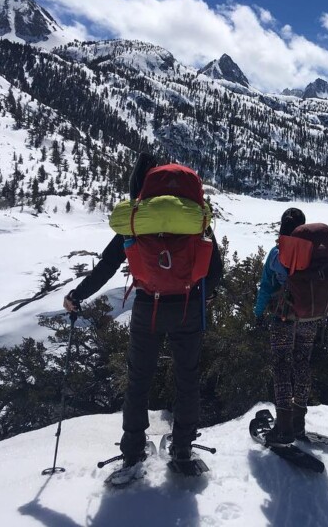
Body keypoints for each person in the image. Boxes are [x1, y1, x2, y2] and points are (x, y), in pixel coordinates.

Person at [63, 155, 223, 467]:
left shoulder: (136, 221)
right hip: (188, 306)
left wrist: (77, 295)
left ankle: (133, 449)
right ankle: (183, 447)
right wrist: (204, 295)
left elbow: (108, 265)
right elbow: (215, 270)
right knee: (187, 378)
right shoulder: (195, 220)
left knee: (138, 379)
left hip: (149, 306)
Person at [254, 207, 328, 446]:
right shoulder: (316, 254)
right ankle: (298, 422)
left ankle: (284, 426)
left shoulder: (277, 254)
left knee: (281, 365)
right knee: (301, 362)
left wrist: (258, 313)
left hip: (283, 318)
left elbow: (266, 287)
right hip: (310, 318)